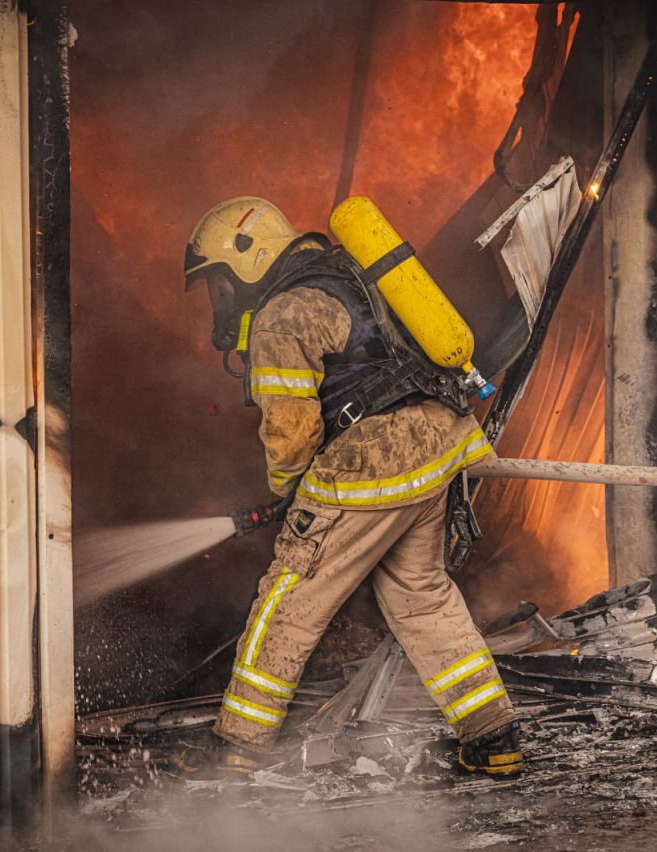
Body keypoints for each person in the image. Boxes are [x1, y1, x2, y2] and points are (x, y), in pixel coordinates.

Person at [183, 196, 522, 777]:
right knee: (422, 596)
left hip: (371, 462)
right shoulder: (350, 274)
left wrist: (291, 493)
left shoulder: (280, 315)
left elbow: (291, 434)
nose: (219, 299)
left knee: (289, 601)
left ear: (246, 259)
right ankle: (494, 735)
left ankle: (237, 749)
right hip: (437, 447)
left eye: (217, 282)